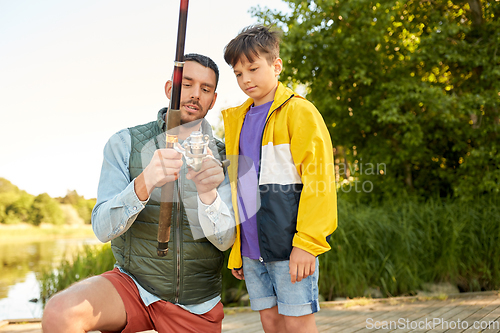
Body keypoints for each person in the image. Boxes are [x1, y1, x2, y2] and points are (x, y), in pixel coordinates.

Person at [41, 53, 236, 333]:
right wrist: (143, 183)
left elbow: (225, 241)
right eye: (188, 84)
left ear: (213, 99)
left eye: (205, 89)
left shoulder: (223, 157)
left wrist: (208, 193)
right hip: (134, 286)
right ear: (170, 89)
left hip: (197, 303)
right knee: (61, 313)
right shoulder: (124, 143)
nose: (195, 95)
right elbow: (102, 228)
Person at [221, 25, 338, 333]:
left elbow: (320, 182)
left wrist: (307, 243)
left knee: (298, 326)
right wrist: (238, 250)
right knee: (271, 324)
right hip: (251, 251)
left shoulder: (298, 112)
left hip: (290, 247)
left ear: (276, 65)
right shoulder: (237, 120)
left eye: (253, 68)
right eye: (238, 73)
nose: (246, 79)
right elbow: (239, 189)